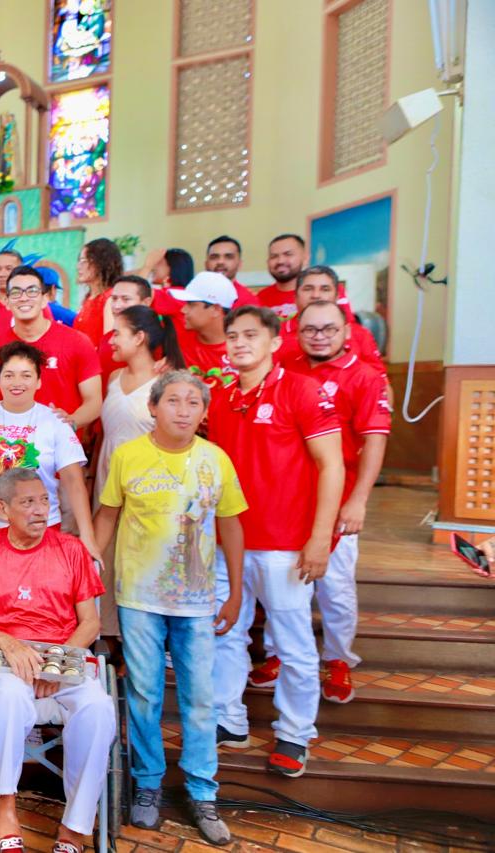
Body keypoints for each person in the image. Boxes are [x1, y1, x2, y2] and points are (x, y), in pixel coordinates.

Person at [93, 371, 246, 845]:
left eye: (193, 402)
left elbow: (232, 527)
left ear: (204, 412)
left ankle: (203, 791)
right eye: (173, 400)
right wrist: (89, 585)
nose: (183, 409)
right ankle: (147, 786)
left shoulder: (215, 460)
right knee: (144, 693)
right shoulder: (128, 456)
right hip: (138, 598)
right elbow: (107, 520)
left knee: (200, 699)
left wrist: (235, 591)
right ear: (153, 408)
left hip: (198, 603)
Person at [208, 305, 344, 778]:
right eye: (232, 335)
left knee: (293, 641)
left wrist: (321, 537)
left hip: (287, 542)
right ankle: (229, 720)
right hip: (231, 541)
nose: (239, 343)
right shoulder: (222, 398)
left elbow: (332, 465)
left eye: (250, 335)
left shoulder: (302, 391)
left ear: (274, 341)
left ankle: (294, 731)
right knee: (227, 633)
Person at [0, 467, 115, 853]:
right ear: (2, 508)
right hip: (5, 661)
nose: (40, 510)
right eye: (27, 503)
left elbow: (91, 622)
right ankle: (6, 811)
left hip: (64, 657)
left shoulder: (71, 550)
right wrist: (6, 641)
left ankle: (74, 828)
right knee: (8, 698)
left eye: (44, 500)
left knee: (98, 708)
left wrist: (55, 664)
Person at [251, 300, 390, 704]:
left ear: (347, 331)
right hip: (289, 499)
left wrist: (359, 500)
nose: (320, 336)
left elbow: (375, 441)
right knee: (285, 583)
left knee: (336, 587)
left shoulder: (364, 377)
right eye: (311, 329)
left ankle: (338, 659)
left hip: (339, 500)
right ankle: (277, 656)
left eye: (329, 328)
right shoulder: (285, 370)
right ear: (297, 332)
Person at [0, 341, 99, 559]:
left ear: (38, 381)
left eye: (26, 375)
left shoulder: (56, 421)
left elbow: (74, 482)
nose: (17, 382)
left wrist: (87, 535)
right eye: (9, 375)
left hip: (41, 527)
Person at [0, 265, 103, 432]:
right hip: (11, 449)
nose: (24, 298)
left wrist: (70, 422)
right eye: (15, 292)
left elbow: (94, 402)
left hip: (63, 449)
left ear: (44, 299)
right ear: (7, 301)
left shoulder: (77, 342)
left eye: (32, 291)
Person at [96, 306, 185, 501]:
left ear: (138, 338)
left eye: (116, 334)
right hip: (107, 482)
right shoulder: (113, 378)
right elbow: (105, 434)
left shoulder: (167, 382)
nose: (110, 341)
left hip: (150, 487)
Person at [276, 266, 385, 375]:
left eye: (325, 289)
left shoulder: (360, 335)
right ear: (295, 297)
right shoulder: (275, 335)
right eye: (308, 289)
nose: (316, 296)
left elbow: (381, 385)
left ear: (337, 297)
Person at [166, 272, 239, 395]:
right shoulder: (179, 343)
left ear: (215, 309)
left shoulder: (242, 351)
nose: (183, 310)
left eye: (191, 304)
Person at [96, 276, 154, 380]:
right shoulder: (106, 340)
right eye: (114, 299)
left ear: (146, 302)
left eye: (126, 299)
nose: (117, 306)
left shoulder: (158, 339)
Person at [73, 238, 124, 346]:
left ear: (101, 263)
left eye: (84, 261)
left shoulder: (110, 299)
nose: (78, 267)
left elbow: (109, 346)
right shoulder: (88, 298)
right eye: (79, 261)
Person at [256, 234, 308, 321]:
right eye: (274, 256)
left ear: (305, 258)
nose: (280, 261)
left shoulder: (319, 293)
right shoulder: (259, 298)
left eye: (288, 254)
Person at [200, 235, 262, 307]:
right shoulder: (193, 295)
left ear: (239, 264)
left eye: (228, 257)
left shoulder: (248, 301)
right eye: (214, 257)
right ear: (206, 264)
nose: (220, 262)